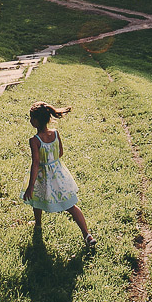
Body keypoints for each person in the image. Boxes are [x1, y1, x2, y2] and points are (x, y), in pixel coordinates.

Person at [22, 101, 95, 247]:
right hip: (59, 175)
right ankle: (87, 235)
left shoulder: (34, 141)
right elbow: (60, 152)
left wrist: (30, 186)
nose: (30, 121)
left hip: (42, 175)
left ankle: (38, 225)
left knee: (36, 198)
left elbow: (35, 163)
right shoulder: (55, 133)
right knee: (70, 205)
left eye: (31, 118)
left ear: (36, 121)